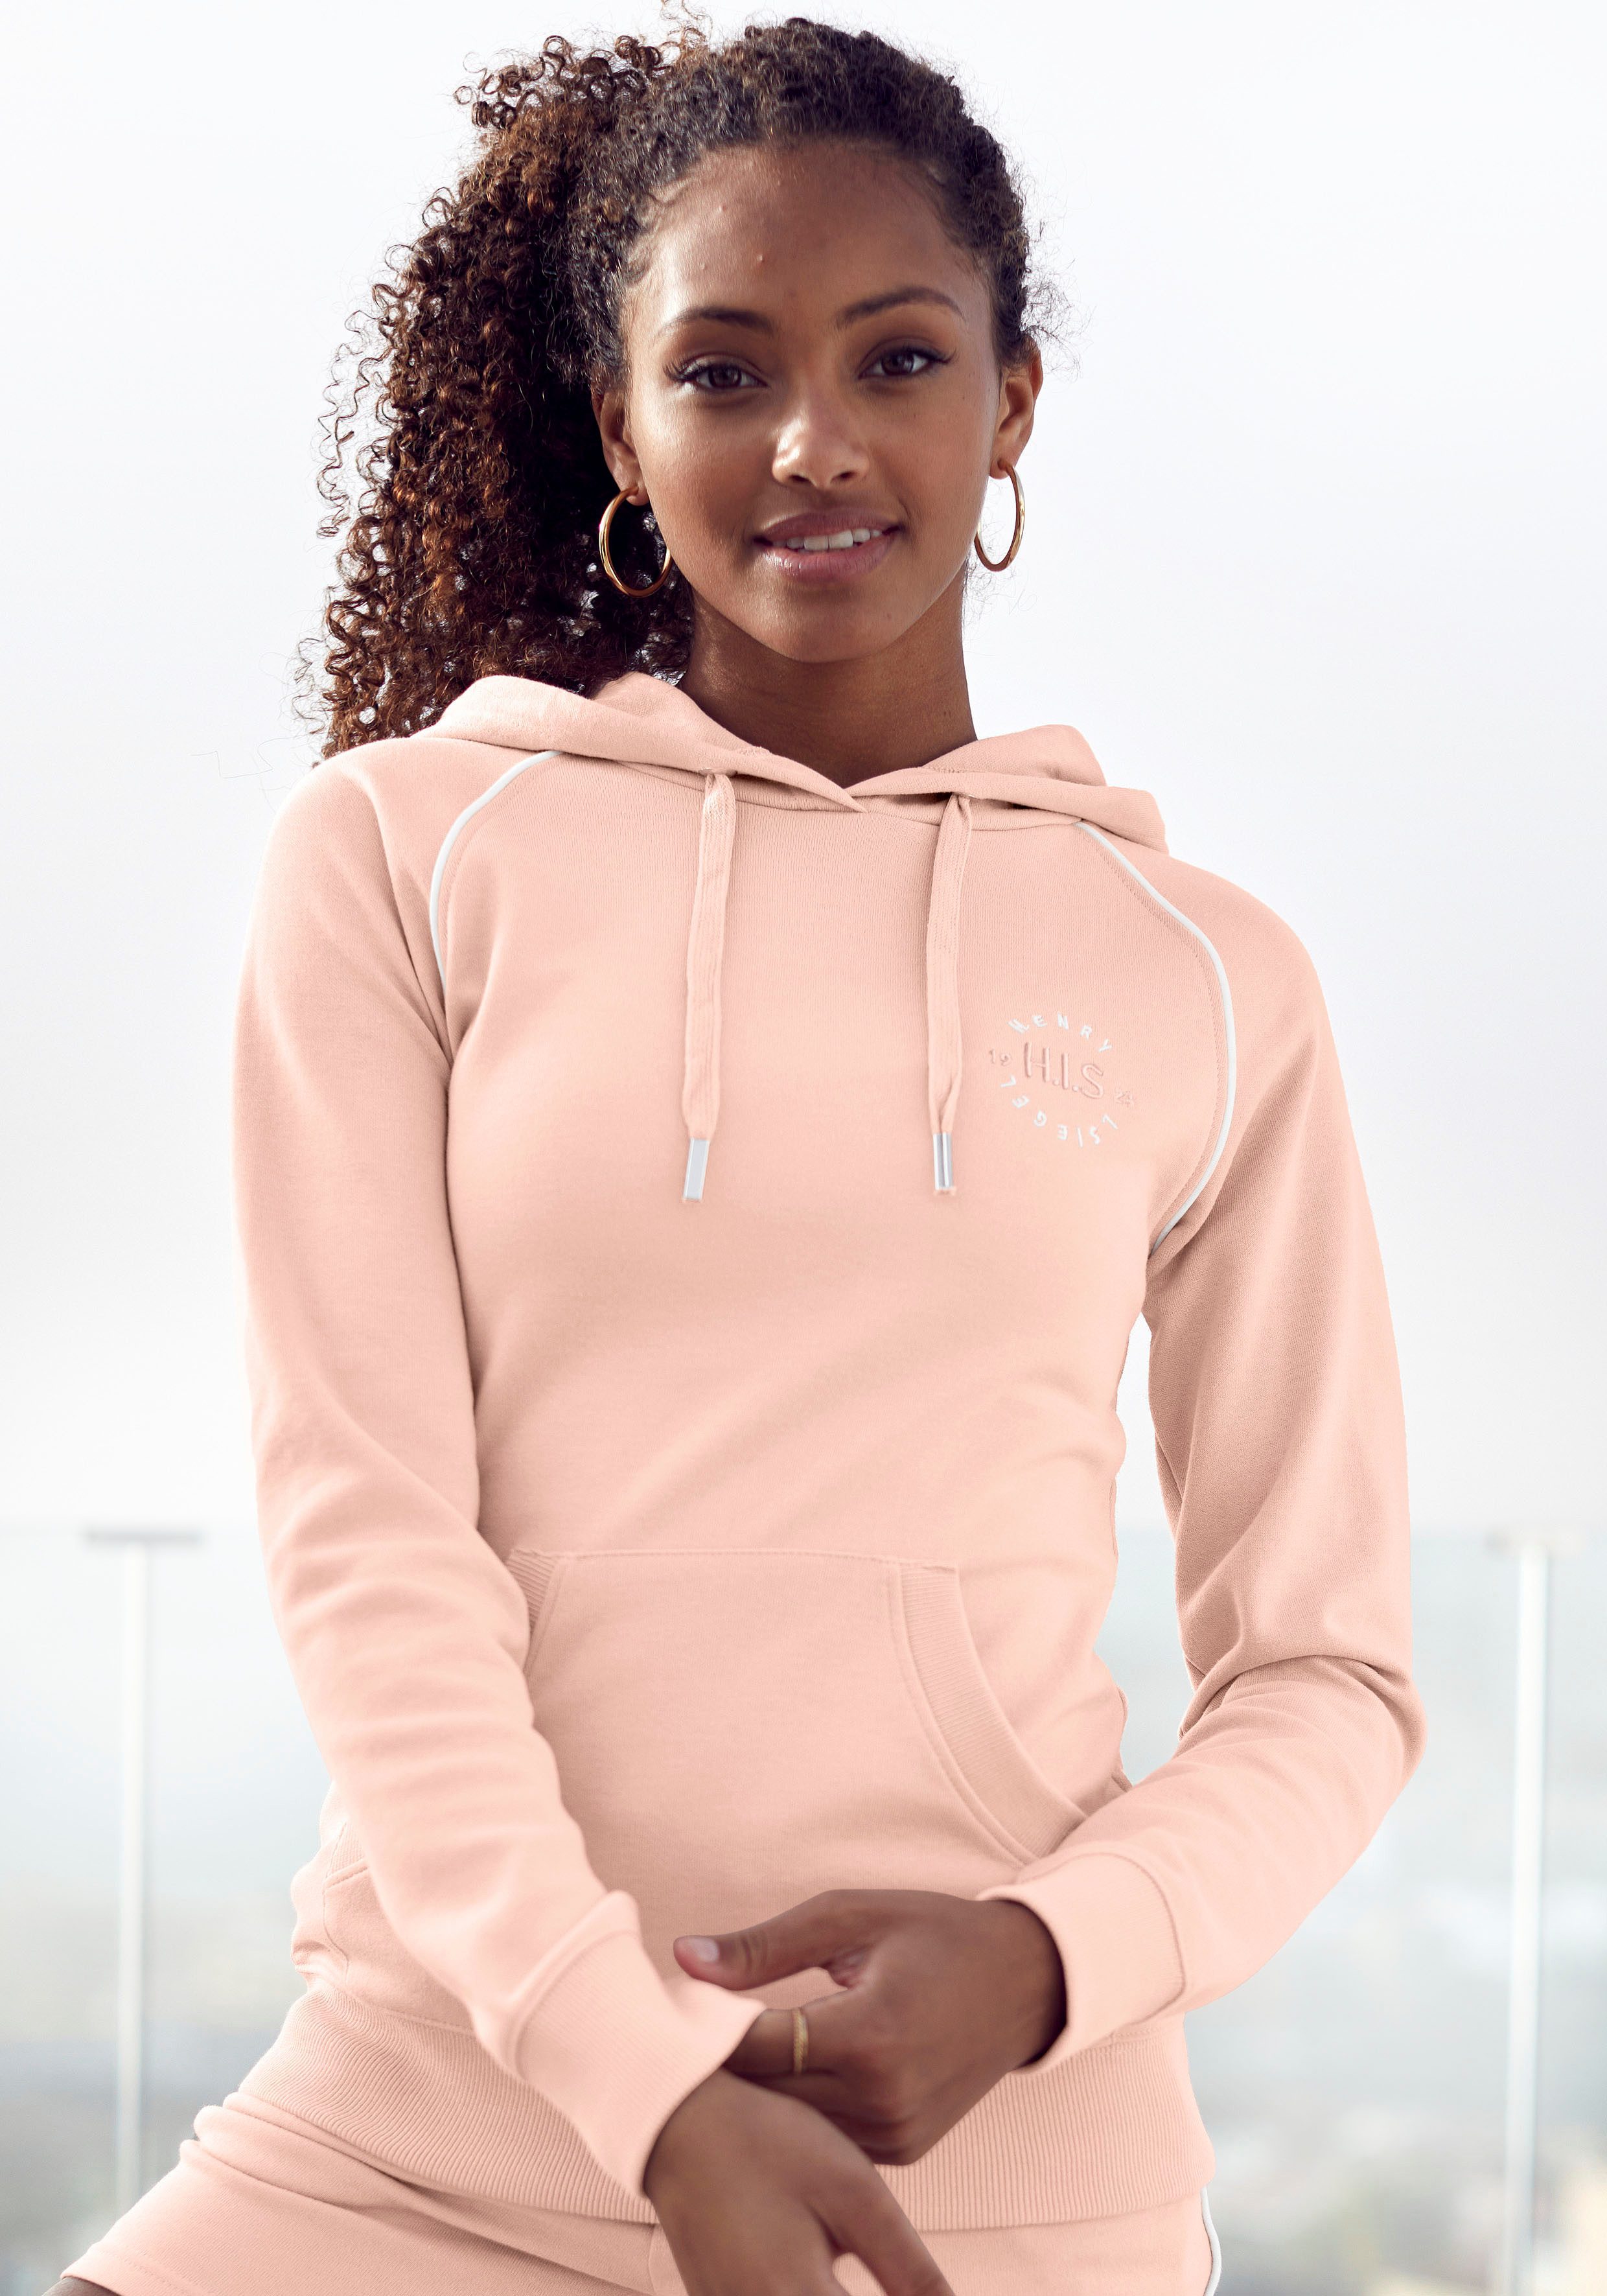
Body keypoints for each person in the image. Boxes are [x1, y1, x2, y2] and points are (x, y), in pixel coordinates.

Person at [50, 15, 1427, 2296]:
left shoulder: (1205, 975)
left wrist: (1043, 1963)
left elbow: (1330, 1675)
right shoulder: (400, 859)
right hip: (423, 2136)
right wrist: (647, 2084)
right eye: (722, 372)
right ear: (623, 424)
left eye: (900, 360)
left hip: (991, 2190)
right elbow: (369, 1544)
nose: (816, 443)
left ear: (1010, 406)